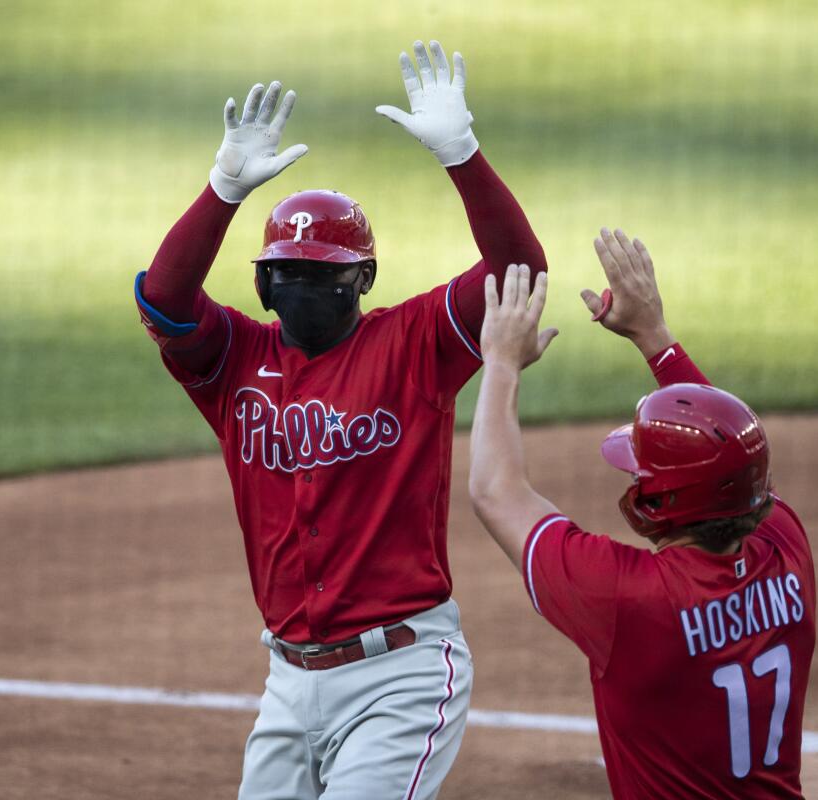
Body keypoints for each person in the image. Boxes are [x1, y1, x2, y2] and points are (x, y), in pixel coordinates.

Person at [134, 41, 547, 798]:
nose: (301, 284)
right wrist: (223, 189)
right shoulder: (232, 362)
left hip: (402, 676)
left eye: (322, 272)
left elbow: (517, 273)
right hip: (287, 680)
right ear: (261, 286)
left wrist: (463, 154)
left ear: (362, 278)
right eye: (284, 273)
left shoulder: (414, 344)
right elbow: (163, 301)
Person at [467, 231, 816, 798]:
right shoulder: (787, 549)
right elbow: (733, 451)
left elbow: (494, 491)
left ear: (663, 503)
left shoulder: (630, 601)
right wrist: (654, 335)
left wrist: (501, 361)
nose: (635, 478)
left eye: (642, 473)